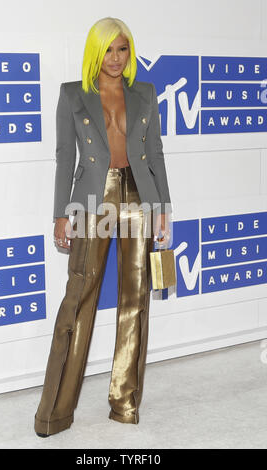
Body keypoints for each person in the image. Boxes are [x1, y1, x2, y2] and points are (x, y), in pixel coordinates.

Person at [34, 16, 172, 437]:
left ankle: (125, 402)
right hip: (94, 197)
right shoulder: (72, 95)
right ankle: (55, 412)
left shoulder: (145, 94)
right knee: (79, 297)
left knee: (136, 299)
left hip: (138, 196)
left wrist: (163, 207)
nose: (117, 58)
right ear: (96, 52)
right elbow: (63, 156)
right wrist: (62, 212)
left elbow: (156, 153)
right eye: (109, 49)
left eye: (124, 49)